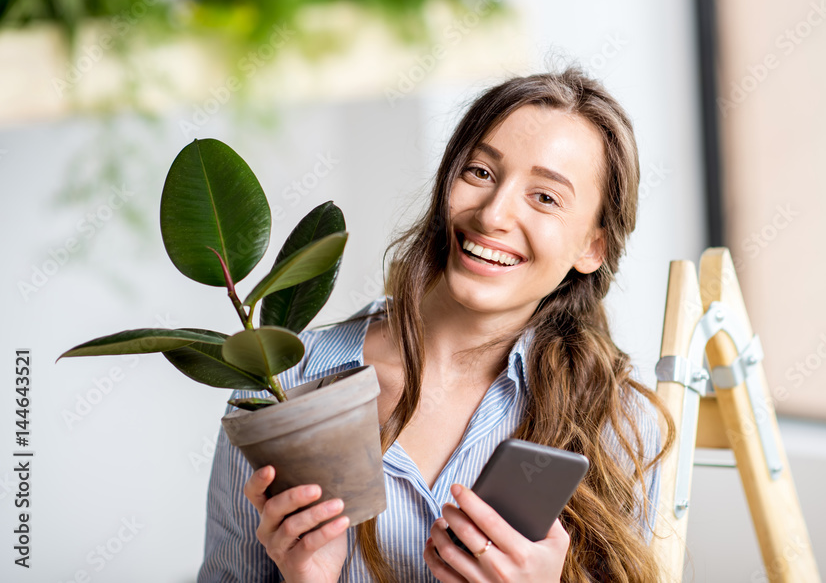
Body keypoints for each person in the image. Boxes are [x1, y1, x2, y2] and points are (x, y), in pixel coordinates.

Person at [197, 68, 676, 583]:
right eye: (481, 173)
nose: (493, 215)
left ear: (592, 248)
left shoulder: (617, 424)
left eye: (545, 197)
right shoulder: (284, 386)